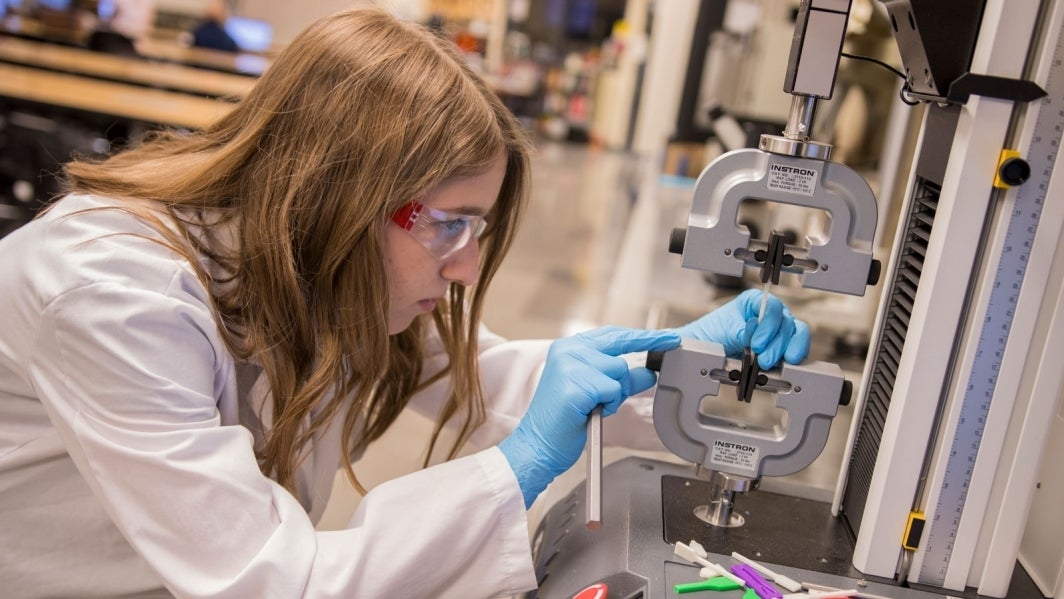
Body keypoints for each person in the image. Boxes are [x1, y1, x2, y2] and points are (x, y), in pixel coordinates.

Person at [0, 7, 809, 598]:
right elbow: (273, 581)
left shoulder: (310, 259)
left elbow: (484, 372)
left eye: (480, 227)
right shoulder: (111, 296)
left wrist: (681, 363)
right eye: (449, 225)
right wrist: (517, 467)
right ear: (333, 195)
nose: (465, 269)